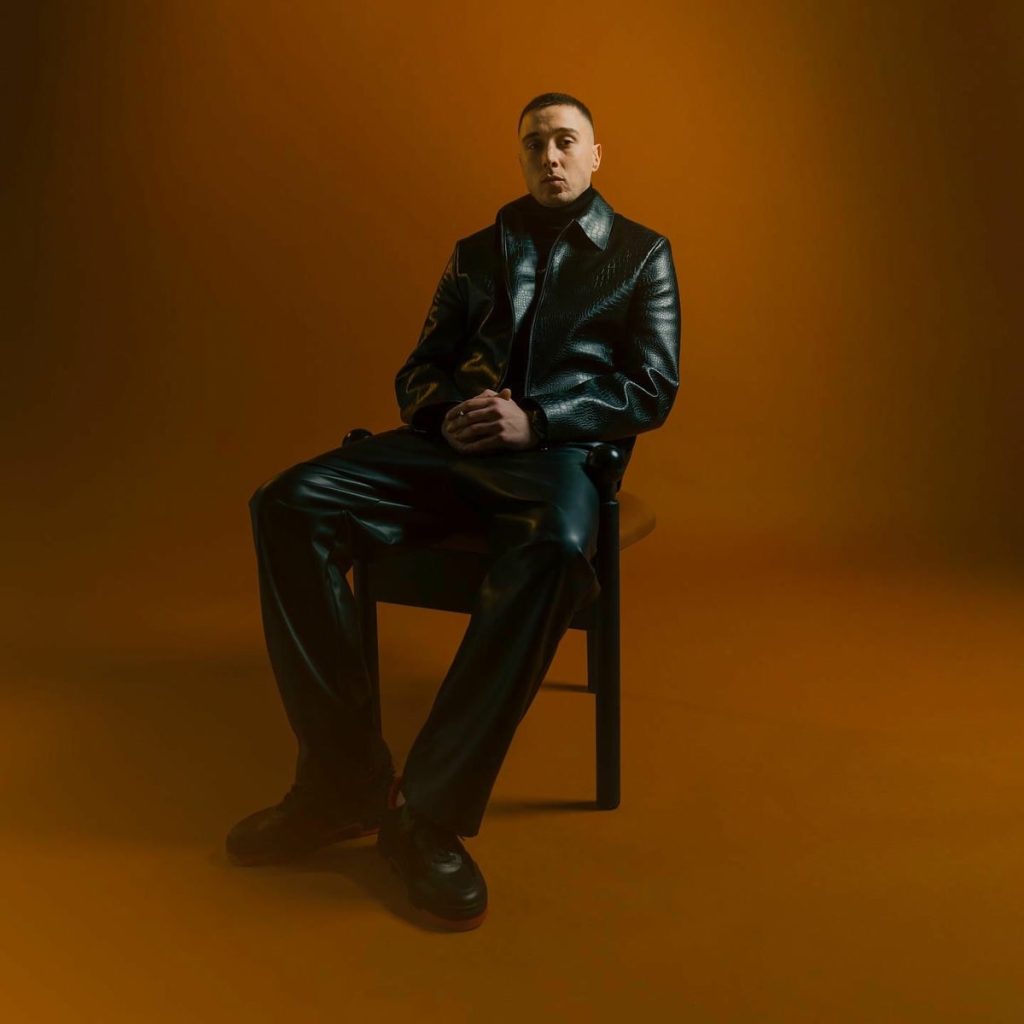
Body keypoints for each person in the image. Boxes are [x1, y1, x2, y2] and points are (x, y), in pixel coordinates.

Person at [226, 92, 681, 931]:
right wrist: (447, 414)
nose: (550, 156)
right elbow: (419, 369)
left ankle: (426, 815)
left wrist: (537, 419)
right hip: (450, 447)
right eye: (535, 143)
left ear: (595, 155)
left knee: (556, 551)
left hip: (554, 458)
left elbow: (650, 387)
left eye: (566, 141)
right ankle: (341, 784)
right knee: (287, 502)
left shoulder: (641, 255)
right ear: (521, 156)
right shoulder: (477, 252)